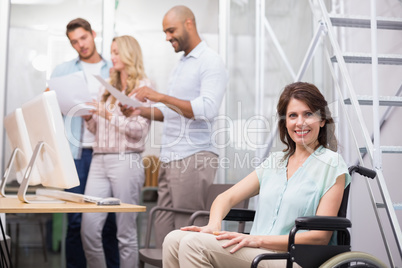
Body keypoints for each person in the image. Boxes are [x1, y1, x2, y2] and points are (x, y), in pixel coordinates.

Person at [162, 82, 352, 268]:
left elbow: (320, 237)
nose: (300, 122)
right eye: (292, 115)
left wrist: (256, 239)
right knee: (173, 239)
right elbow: (225, 198)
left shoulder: (331, 164)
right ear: (285, 123)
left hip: (292, 258)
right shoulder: (275, 162)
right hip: (255, 251)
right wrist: (213, 225)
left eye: (308, 114)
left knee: (194, 244)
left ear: (322, 120)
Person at [120, 5, 228, 248]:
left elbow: (207, 109)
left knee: (185, 233)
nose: (167, 37)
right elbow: (172, 113)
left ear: (189, 23)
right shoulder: (182, 65)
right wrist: (139, 110)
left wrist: (160, 96)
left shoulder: (210, 61)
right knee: (163, 228)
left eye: (171, 30)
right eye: (165, 32)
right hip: (170, 157)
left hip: (193, 157)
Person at [50, 18, 119, 268]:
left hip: (106, 153)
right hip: (76, 153)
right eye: (74, 42)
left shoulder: (114, 68)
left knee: (109, 221)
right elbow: (51, 109)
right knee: (76, 221)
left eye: (83, 38)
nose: (81, 45)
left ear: (93, 34)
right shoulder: (62, 71)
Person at [80, 35, 152, 268]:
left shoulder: (143, 87)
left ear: (130, 54)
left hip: (126, 160)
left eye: (117, 52)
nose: (112, 56)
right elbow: (97, 129)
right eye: (111, 52)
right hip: (99, 159)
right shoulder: (107, 88)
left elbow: (138, 131)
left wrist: (108, 115)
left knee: (126, 234)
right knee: (89, 230)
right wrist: (89, 117)